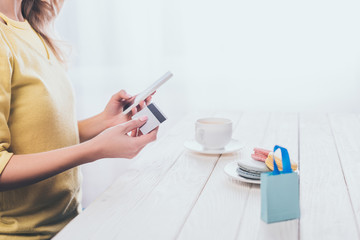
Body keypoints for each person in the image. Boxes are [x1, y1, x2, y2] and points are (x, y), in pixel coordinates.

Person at [0, 0, 158, 239]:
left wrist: (104, 122)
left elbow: (40, 134)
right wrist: (95, 150)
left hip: (70, 222)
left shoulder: (31, 27)